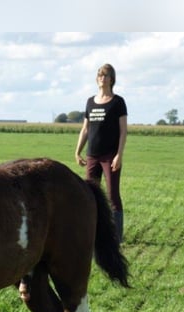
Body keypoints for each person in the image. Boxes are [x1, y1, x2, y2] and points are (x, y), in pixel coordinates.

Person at [75, 63, 128, 242]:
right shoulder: (90, 101)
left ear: (111, 79)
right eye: (99, 75)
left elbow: (123, 131)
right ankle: (93, 232)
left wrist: (119, 155)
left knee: (112, 194)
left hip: (110, 156)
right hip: (92, 155)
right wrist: (78, 151)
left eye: (105, 75)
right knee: (90, 194)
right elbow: (85, 129)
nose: (101, 78)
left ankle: (117, 236)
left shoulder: (118, 102)